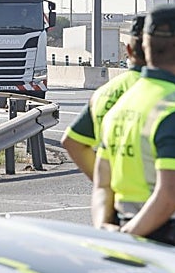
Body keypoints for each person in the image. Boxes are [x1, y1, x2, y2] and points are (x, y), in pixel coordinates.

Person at [91, 4, 175, 257]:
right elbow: (171, 193)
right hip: (174, 246)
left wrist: (104, 229)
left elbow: (102, 184)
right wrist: (130, 238)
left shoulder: (121, 105)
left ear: (146, 48)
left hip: (126, 230)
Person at [61, 14, 146, 180]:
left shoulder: (104, 93)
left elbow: (72, 142)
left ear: (128, 50)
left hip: (116, 200)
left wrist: (105, 182)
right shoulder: (165, 94)